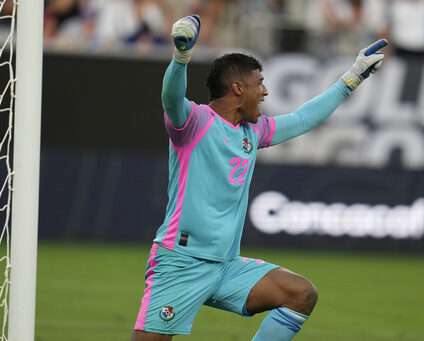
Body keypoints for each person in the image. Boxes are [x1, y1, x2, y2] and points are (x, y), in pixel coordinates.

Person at [131, 14, 386, 341]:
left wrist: (352, 78)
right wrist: (181, 57)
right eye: (259, 83)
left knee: (300, 293)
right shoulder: (194, 123)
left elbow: (303, 118)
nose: (265, 92)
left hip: (225, 266)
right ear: (238, 88)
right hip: (182, 262)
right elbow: (171, 99)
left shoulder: (255, 130)